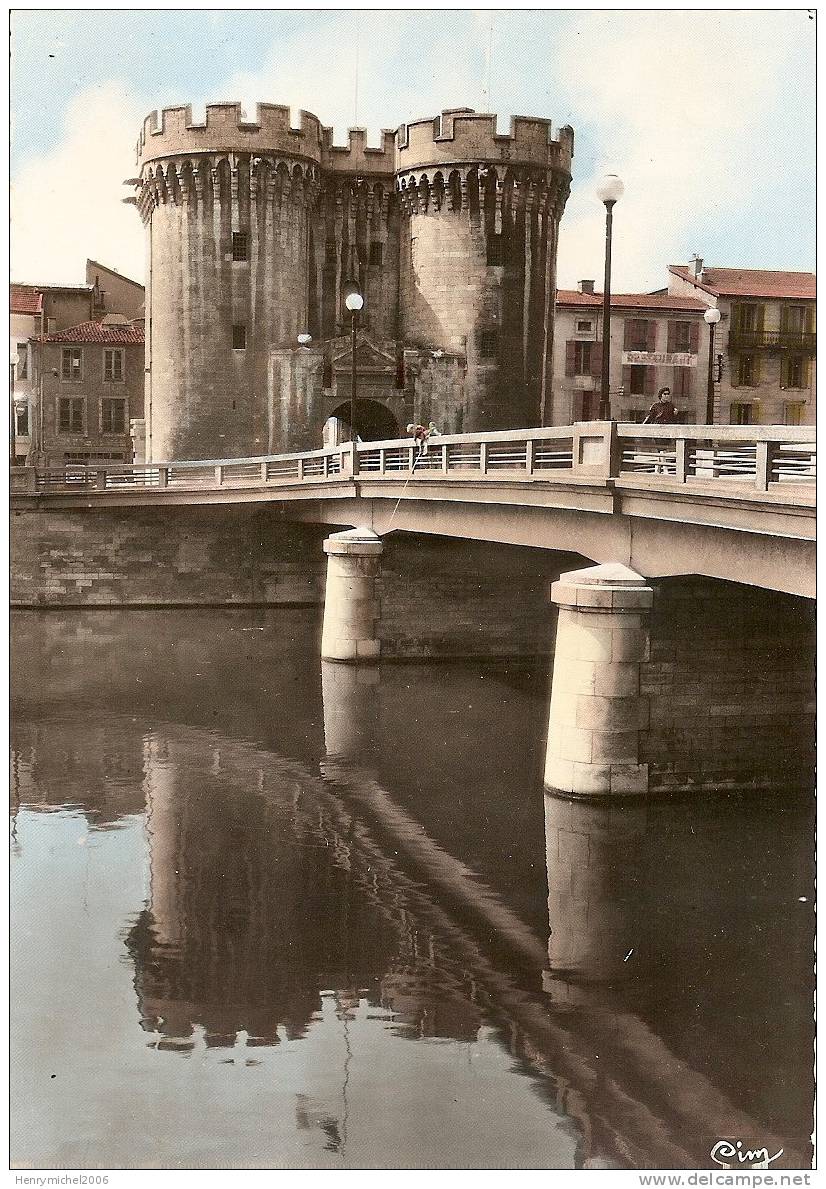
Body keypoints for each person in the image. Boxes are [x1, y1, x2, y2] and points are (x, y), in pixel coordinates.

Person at [642, 387, 678, 474]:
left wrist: (676, 414)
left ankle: (657, 469)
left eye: (668, 394)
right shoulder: (655, 406)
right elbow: (650, 417)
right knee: (662, 449)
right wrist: (643, 426)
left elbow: (674, 419)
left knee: (661, 450)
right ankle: (665, 469)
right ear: (660, 395)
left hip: (667, 430)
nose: (667, 396)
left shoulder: (671, 406)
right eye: (664, 394)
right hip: (657, 430)